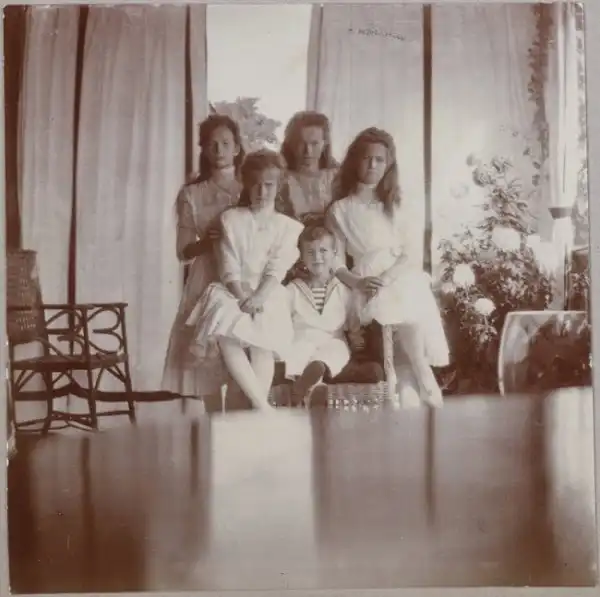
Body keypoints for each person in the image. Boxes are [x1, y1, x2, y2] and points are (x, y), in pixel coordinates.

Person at [325, 127, 450, 408]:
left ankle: (422, 378)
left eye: (379, 160)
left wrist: (387, 277)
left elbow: (410, 253)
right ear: (355, 161)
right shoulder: (340, 210)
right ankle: (417, 382)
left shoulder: (398, 203)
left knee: (408, 294)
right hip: (365, 280)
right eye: (366, 158)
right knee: (395, 338)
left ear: (388, 164)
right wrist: (357, 282)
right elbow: (335, 261)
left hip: (399, 273)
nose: (372, 165)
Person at [186, 150, 304, 410]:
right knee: (226, 329)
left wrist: (259, 297)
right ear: (246, 184)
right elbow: (228, 263)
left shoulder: (288, 226)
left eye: (269, 185)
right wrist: (242, 296)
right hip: (233, 290)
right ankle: (263, 408)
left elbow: (278, 266)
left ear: (279, 186)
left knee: (263, 340)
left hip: (267, 291)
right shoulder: (230, 219)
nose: (262, 191)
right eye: (256, 184)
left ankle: (258, 409)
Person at [161, 114, 244, 398]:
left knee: (241, 351)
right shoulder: (192, 194)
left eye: (225, 143)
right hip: (207, 276)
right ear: (204, 150)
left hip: (244, 273)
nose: (219, 150)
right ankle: (211, 420)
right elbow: (183, 252)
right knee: (207, 357)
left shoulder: (251, 187)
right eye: (212, 144)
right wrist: (206, 242)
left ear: (237, 148)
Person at [283, 225, 365, 407]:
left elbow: (352, 322)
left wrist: (356, 336)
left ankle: (310, 379)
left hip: (332, 339)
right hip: (302, 338)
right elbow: (283, 323)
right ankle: (312, 388)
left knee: (337, 351)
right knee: (299, 351)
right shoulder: (292, 290)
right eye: (310, 252)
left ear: (334, 254)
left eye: (323, 251)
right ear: (301, 257)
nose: (317, 257)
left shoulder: (343, 290)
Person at [280, 111, 338, 224]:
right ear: (291, 144)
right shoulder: (281, 180)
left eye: (314, 144)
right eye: (301, 143)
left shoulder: (337, 178)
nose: (308, 151)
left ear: (324, 144)